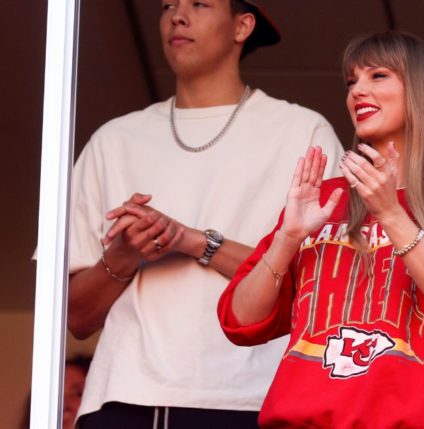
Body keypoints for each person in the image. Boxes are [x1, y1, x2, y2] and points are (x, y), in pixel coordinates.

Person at [66, 1, 343, 427]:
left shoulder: (303, 132)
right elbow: (75, 320)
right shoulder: (113, 140)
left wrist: (193, 241)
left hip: (258, 398)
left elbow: (326, 293)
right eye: (167, 5)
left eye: (198, 3)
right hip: (128, 396)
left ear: (242, 26)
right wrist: (124, 254)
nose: (177, 16)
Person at [217, 31, 424, 428]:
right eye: (351, 81)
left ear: (422, 92)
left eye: (377, 76)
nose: (357, 91)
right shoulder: (327, 198)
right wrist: (287, 239)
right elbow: (240, 321)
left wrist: (391, 214)